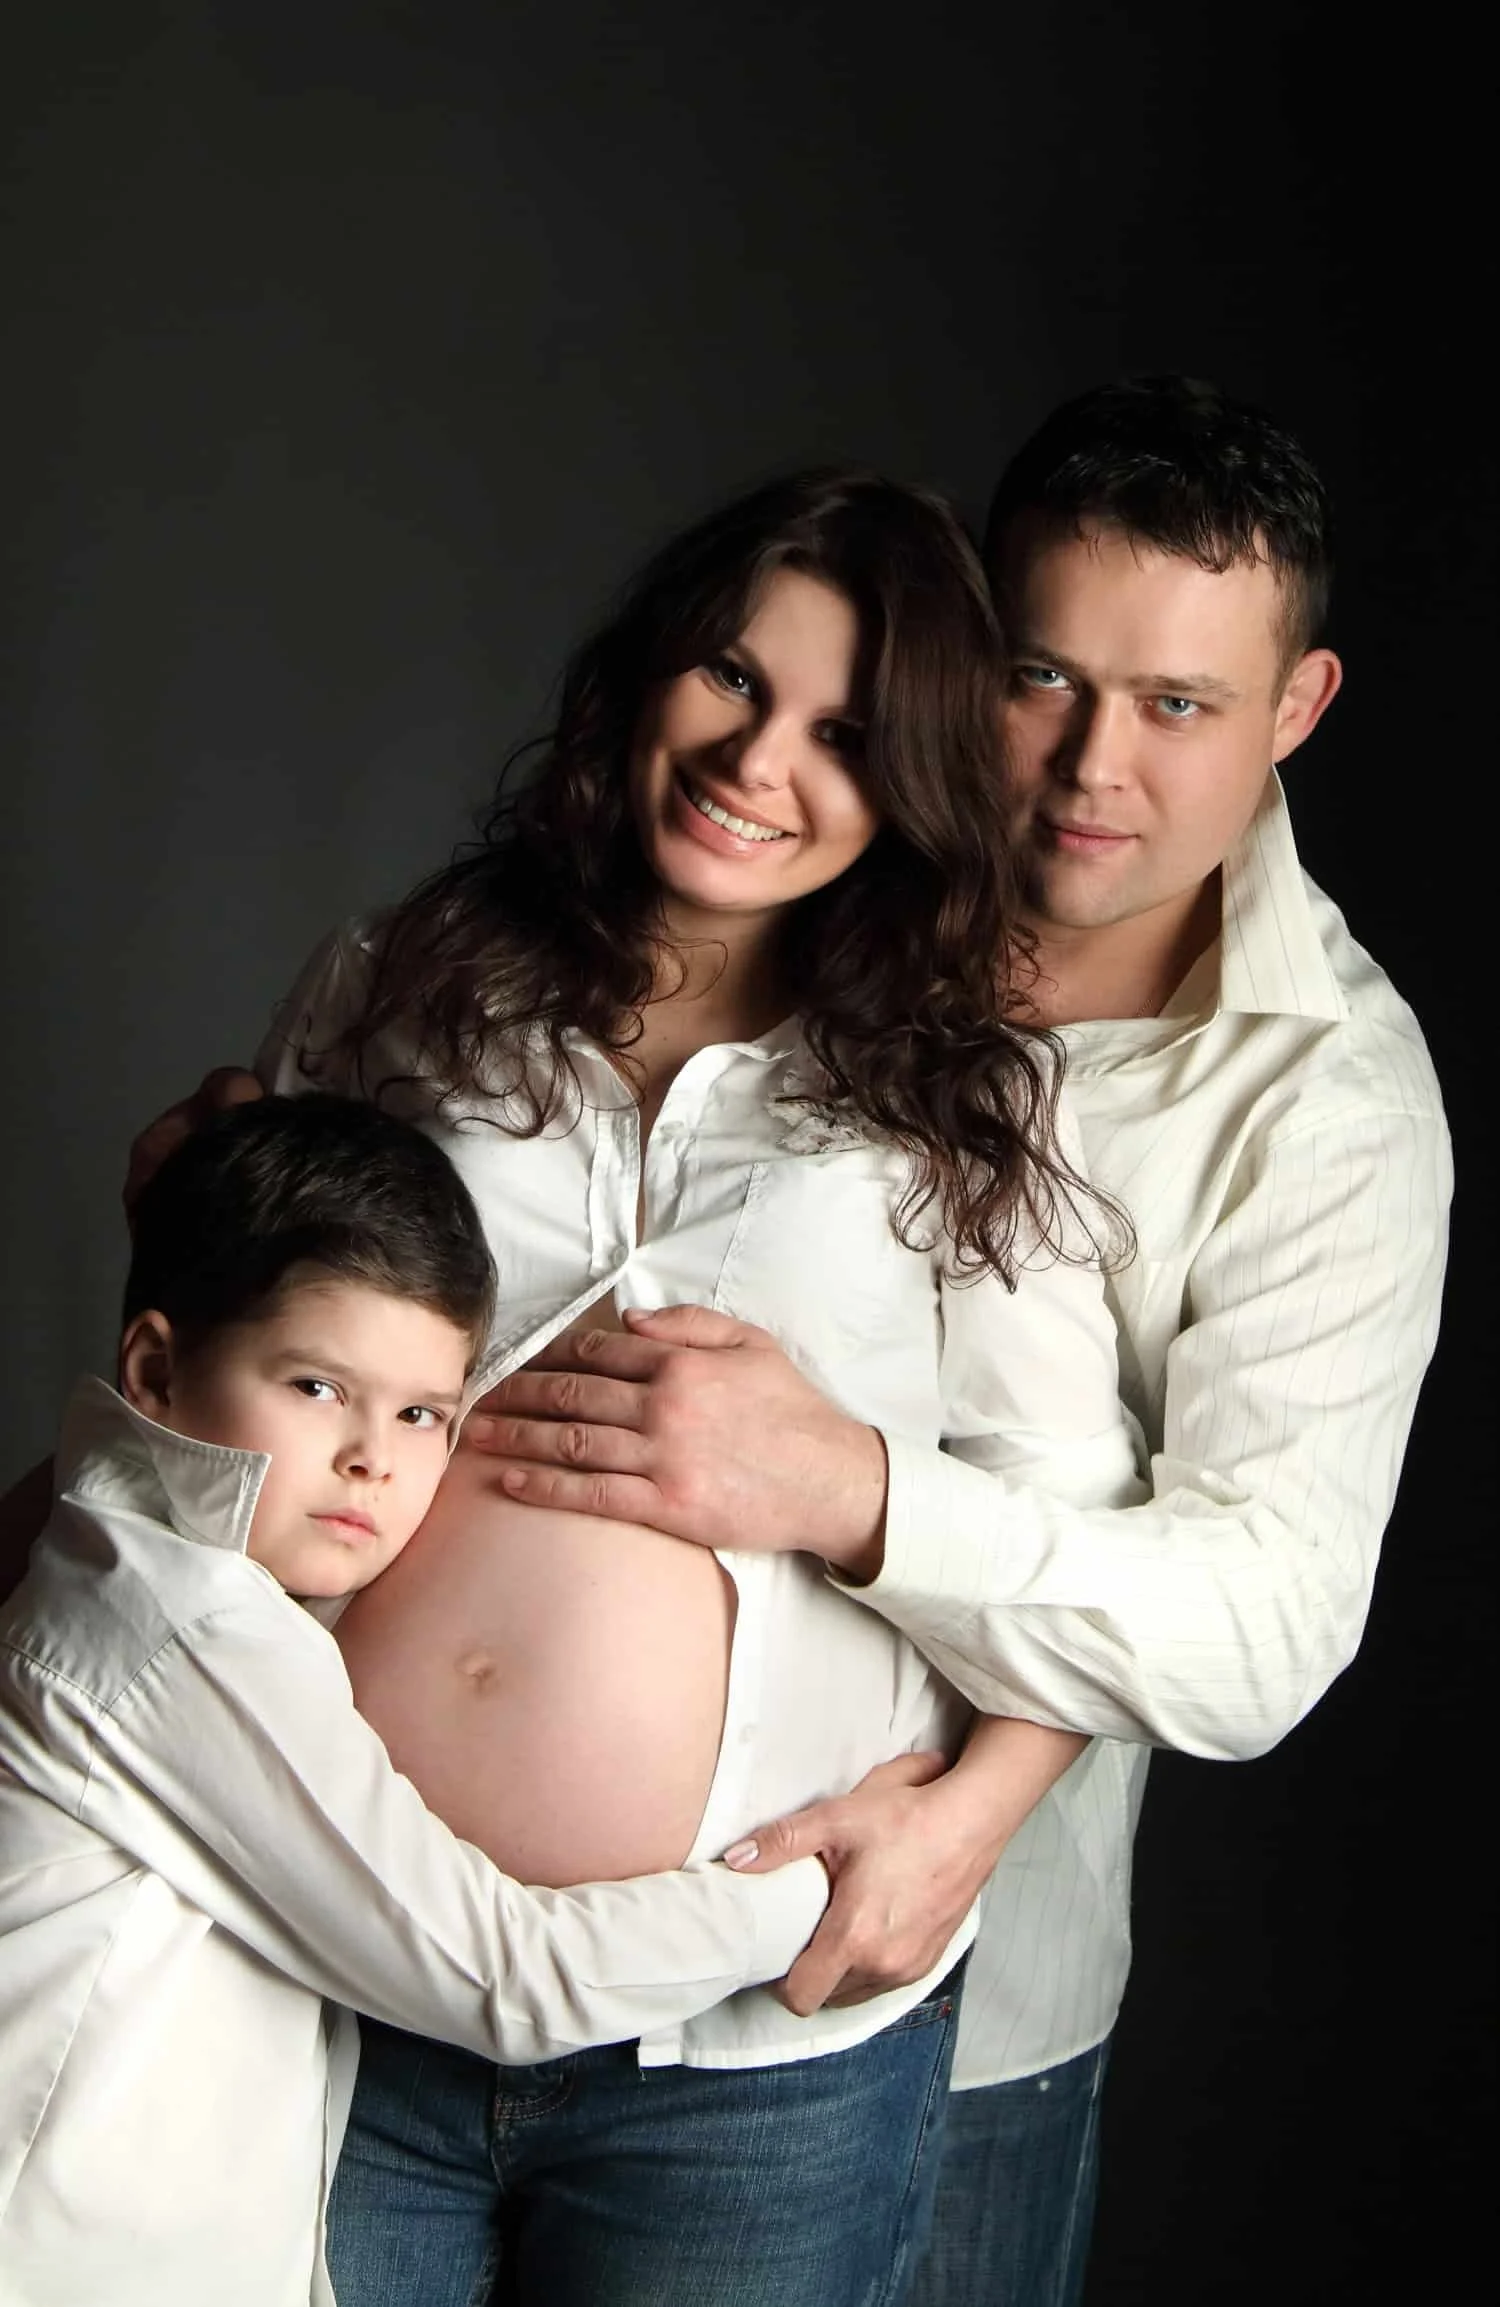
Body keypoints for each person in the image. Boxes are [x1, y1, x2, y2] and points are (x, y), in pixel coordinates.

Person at [463, 379, 1452, 2304]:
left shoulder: (1331, 1102)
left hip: (930, 1975)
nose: (1093, 765)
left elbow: (1260, 1615)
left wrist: (875, 1541)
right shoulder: (808, 861)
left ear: (1297, 711)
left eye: (1180, 704)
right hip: (459, 1940)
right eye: (1042, 677)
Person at [141, 468, 1145, 2307]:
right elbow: (220, 1371)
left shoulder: (966, 1110)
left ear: (914, 780)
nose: (762, 759)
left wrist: (961, 1821)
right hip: (327, 1957)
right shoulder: (406, 990)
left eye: (846, 732)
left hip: (747, 2044)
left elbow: (1079, 1543)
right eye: (730, 679)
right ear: (648, 675)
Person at [0, 1093, 831, 2307]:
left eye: (421, 1412)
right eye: (317, 1388)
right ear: (157, 1370)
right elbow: (504, 1975)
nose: (372, 1459)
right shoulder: (181, 1629)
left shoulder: (135, 1556)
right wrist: (814, 1889)